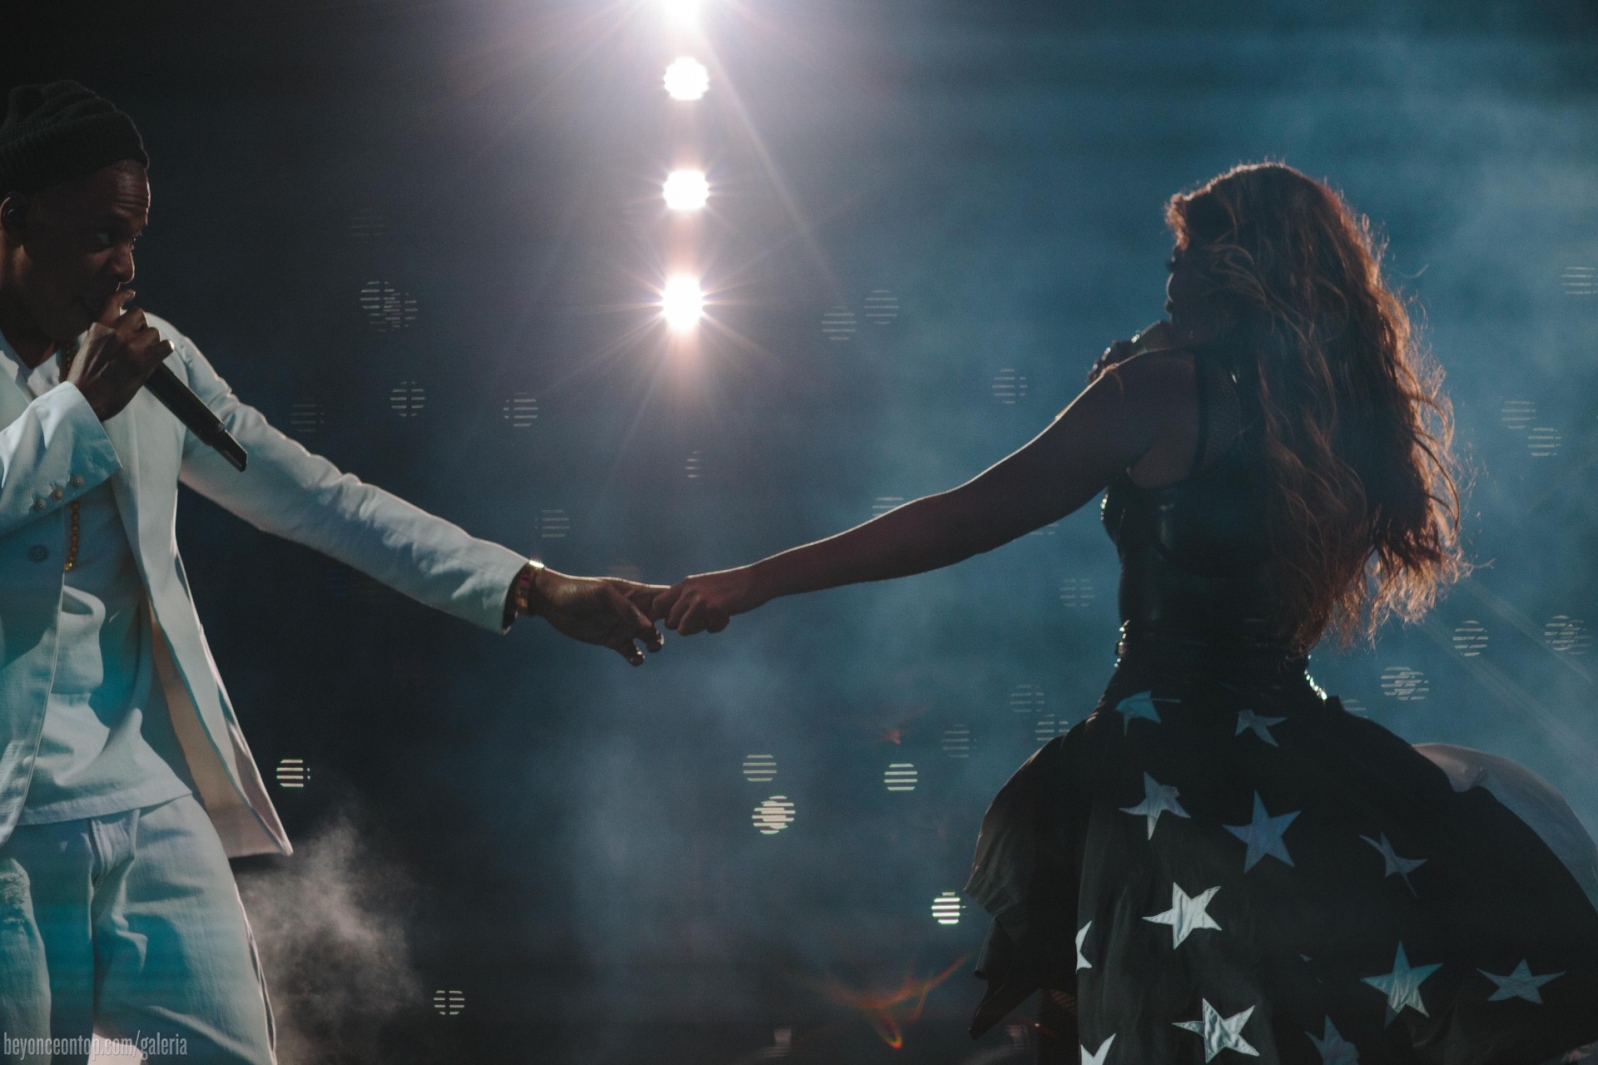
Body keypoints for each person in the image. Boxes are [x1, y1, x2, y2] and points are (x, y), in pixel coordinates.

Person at [652, 163, 1598, 1062]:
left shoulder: (1157, 393)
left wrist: (760, 577)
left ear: (1243, 268)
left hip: (1163, 759)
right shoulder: (1332, 419)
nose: (1175, 271)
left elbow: (967, 519)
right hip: (1298, 745)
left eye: (1196, 252)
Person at [0, 81, 664, 1065]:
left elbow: (326, 500)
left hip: (150, 802)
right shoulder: (107, 382)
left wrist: (531, 585)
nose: (127, 264)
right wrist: (75, 412)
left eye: (136, 234)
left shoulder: (156, 360)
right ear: (16, 219)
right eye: (102, 232)